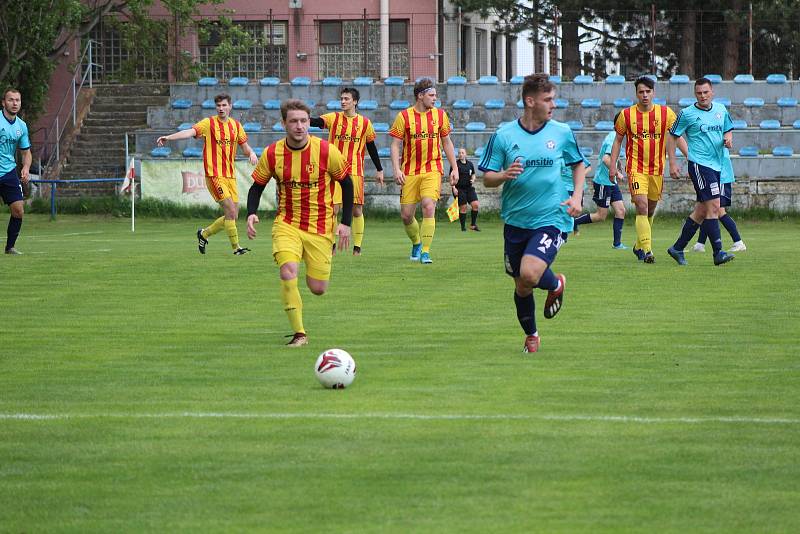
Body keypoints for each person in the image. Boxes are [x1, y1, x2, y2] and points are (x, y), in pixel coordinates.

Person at [479, 73, 586, 353]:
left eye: (554, 99)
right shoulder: (504, 136)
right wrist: (503, 175)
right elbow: (487, 178)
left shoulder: (561, 132)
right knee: (522, 286)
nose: (554, 105)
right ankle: (532, 335)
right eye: (548, 99)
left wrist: (576, 196)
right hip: (516, 221)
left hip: (553, 217)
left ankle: (556, 282)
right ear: (530, 101)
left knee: (529, 273)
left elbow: (578, 166)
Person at [245, 99, 354, 347]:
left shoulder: (326, 150)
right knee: (287, 271)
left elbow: (347, 184)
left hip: (321, 227)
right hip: (287, 223)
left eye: (304, 121)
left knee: (318, 288)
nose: (299, 126)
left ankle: (314, 260)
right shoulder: (273, 153)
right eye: (293, 121)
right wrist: (251, 213)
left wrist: (345, 223)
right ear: (284, 123)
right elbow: (257, 187)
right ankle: (299, 334)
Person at [157, 93, 258, 255]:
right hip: (214, 175)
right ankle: (236, 248)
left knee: (233, 214)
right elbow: (189, 132)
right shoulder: (208, 123)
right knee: (231, 211)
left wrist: (252, 153)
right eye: (218, 105)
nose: (221, 108)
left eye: (224, 105)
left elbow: (245, 148)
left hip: (230, 176)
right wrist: (168, 137)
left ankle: (204, 234)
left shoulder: (236, 126)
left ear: (230, 106)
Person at [609, 76, 682, 263]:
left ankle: (638, 245)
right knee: (641, 206)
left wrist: (689, 157)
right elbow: (617, 141)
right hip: (635, 168)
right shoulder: (626, 115)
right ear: (636, 93)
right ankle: (648, 251)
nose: (644, 95)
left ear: (653, 93)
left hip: (657, 169)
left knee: (649, 211)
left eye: (648, 91)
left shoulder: (666, 114)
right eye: (641, 92)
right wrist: (612, 166)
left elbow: (676, 137)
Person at [666, 77, 735, 266]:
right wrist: (672, 163)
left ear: (712, 92)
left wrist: (728, 139)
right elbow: (672, 137)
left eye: (706, 92)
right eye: (699, 93)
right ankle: (718, 253)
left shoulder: (721, 110)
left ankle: (677, 248)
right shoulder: (687, 114)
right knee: (714, 206)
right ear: (695, 94)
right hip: (699, 164)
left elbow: (728, 130)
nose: (703, 96)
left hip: (717, 165)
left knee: (702, 210)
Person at [390, 77, 458, 264]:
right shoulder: (403, 117)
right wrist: (396, 169)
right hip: (409, 171)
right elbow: (395, 145)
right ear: (420, 96)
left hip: (432, 169)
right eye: (432, 95)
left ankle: (426, 252)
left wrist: (455, 167)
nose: (435, 98)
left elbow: (447, 142)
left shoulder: (440, 116)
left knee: (429, 205)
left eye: (435, 95)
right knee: (406, 216)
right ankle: (417, 242)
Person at [310, 87, 384, 255]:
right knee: (333, 208)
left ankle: (357, 247)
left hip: (355, 171)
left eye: (346, 99)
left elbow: (371, 147)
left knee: (356, 210)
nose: (343, 101)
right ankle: (331, 244)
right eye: (341, 98)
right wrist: (297, 117)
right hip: (334, 171)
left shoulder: (365, 123)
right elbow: (315, 122)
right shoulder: (333, 118)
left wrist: (379, 169)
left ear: (355, 102)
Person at [572, 130, 628, 249]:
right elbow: (606, 159)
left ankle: (617, 244)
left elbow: (612, 157)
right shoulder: (613, 138)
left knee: (621, 211)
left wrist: (619, 165)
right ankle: (573, 222)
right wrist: (617, 173)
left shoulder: (616, 136)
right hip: (603, 182)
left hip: (611, 182)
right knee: (601, 216)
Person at [692, 147, 746, 253]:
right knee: (707, 210)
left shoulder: (717, 144)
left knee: (719, 211)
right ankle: (700, 244)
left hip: (721, 178)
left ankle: (738, 242)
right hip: (714, 177)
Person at [0, 88, 32, 255]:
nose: (14, 103)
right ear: (3, 102)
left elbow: (26, 152)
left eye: (17, 100)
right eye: (11, 100)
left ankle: (10, 247)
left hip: (8, 172)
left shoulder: (21, 126)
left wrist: (26, 168)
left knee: (18, 210)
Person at [448, 147, 480, 232]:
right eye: (459, 153)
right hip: (459, 189)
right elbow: (451, 178)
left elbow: (473, 174)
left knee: (475, 204)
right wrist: (453, 188)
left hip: (469, 188)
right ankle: (463, 228)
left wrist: (473, 179)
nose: (460, 154)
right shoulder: (455, 165)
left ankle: (473, 225)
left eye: (462, 153)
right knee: (463, 207)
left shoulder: (470, 164)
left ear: (465, 154)